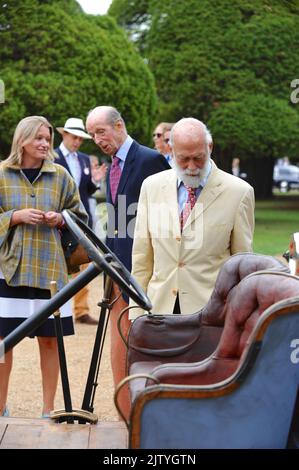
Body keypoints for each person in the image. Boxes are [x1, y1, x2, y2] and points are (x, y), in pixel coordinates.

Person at [0, 116, 88, 417]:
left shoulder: (61, 175)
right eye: (38, 137)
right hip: (9, 272)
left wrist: (61, 218)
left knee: (51, 343)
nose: (44, 143)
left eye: (47, 138)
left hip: (51, 272)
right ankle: (0, 408)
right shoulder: (1, 173)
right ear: (21, 139)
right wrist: (14, 216)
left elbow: (81, 217)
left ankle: (48, 410)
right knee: (2, 345)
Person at [86, 105, 170, 417]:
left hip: (146, 272)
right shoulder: (111, 167)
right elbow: (117, 222)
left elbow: (167, 214)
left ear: (119, 125)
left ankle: (146, 410)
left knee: (143, 339)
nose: (96, 139)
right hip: (116, 268)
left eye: (101, 132)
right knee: (119, 339)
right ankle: (124, 411)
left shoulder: (150, 159)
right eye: (93, 134)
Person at [130, 117, 255, 319]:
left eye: (198, 158)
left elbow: (241, 263)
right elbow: (141, 258)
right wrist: (136, 314)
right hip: (159, 310)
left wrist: (238, 317)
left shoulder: (239, 192)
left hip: (213, 314)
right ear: (171, 150)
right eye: (183, 158)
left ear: (210, 147)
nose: (191, 166)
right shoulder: (151, 187)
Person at [55, 118, 107, 325]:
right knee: (58, 265)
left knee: (83, 263)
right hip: (57, 219)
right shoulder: (52, 157)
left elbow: (86, 190)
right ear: (64, 135)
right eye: (74, 137)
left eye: (80, 138)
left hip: (81, 220)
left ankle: (81, 310)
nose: (77, 141)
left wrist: (94, 181)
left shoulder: (85, 159)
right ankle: (56, 310)